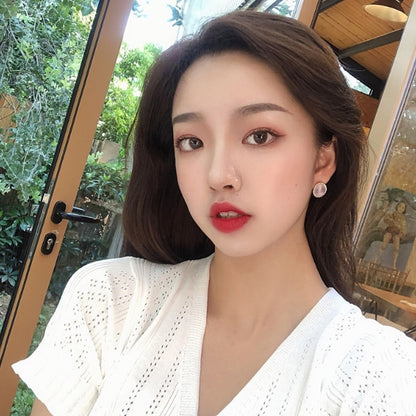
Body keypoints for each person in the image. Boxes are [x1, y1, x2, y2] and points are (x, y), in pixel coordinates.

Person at [13, 10, 416, 416]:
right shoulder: (112, 302)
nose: (218, 175)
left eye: (260, 136)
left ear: (323, 161)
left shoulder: (380, 378)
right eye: (191, 142)